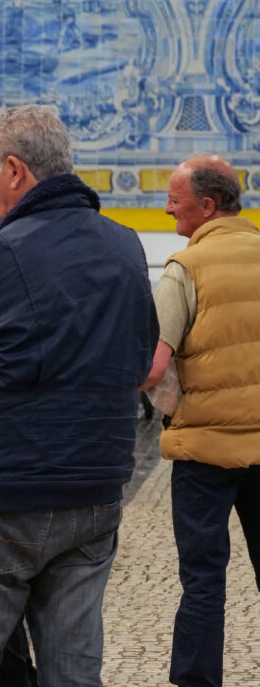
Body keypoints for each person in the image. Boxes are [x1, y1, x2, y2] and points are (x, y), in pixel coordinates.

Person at [0, 105, 157, 686]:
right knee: (73, 670)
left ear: (15, 172)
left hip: (1, 487)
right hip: (95, 486)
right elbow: (141, 353)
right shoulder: (125, 247)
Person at [140, 155, 260, 687]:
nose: (167, 207)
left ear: (207, 206)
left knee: (204, 580)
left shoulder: (183, 270)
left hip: (204, 454)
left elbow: (152, 367)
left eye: (175, 199)